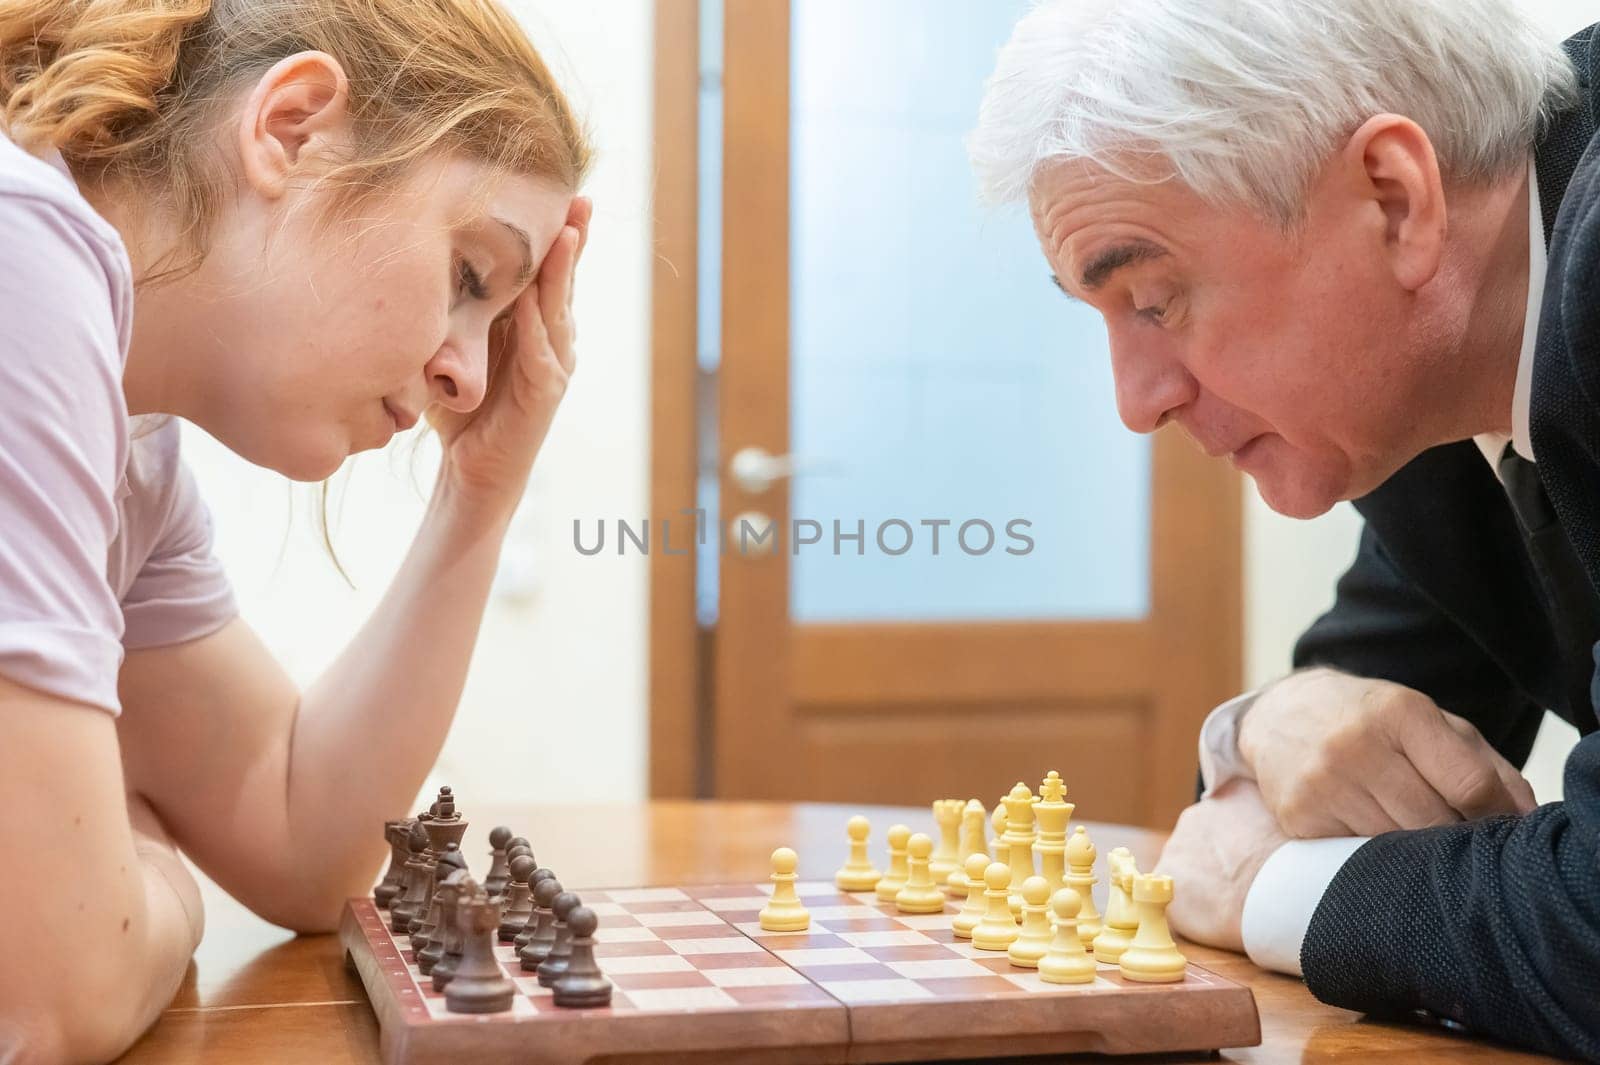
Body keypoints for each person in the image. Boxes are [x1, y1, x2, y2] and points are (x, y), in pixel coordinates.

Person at [970, 0, 1600, 1058]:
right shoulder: (1423, 404)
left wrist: (1270, 890)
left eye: (1155, 298)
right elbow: (1278, 796)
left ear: (1394, 202)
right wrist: (1264, 723)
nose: (1137, 402)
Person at [0, 0, 593, 1060]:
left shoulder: (132, 445)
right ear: (293, 125)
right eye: (469, 277)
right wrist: (154, 885)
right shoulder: (21, 255)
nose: (467, 371)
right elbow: (54, 1000)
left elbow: (303, 841)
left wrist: (481, 488)